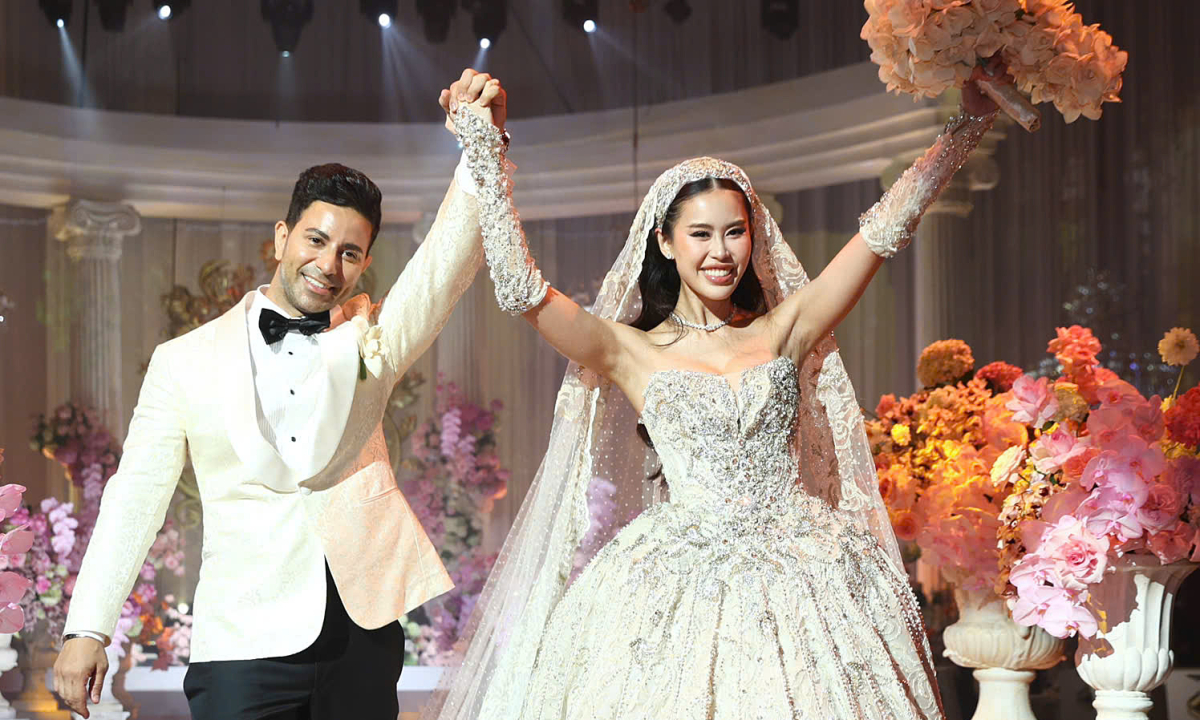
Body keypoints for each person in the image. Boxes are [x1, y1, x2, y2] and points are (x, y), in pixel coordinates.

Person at [423, 68, 1004, 719]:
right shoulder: (628, 349)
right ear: (665, 243)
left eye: (735, 231)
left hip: (809, 573)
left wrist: (967, 125)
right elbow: (520, 289)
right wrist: (486, 147)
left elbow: (881, 234)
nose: (721, 251)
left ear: (755, 235)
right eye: (700, 234)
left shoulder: (784, 329)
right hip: (677, 577)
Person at [53, 69, 507, 720]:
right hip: (242, 641)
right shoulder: (184, 361)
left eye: (349, 252)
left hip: (361, 635)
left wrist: (479, 147)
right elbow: (134, 498)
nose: (328, 264)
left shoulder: (369, 340)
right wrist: (88, 627)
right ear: (281, 238)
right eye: (316, 240)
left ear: (364, 264)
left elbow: (443, 266)